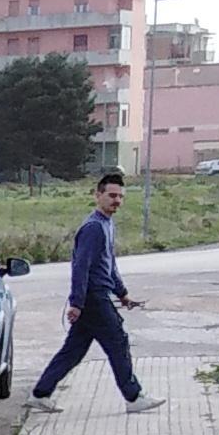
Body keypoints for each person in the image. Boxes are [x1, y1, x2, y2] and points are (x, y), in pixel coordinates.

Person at [31, 172, 162, 410]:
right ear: (98, 195)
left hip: (98, 296)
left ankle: (40, 393)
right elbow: (81, 267)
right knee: (118, 341)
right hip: (93, 298)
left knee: (74, 349)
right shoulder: (93, 227)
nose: (117, 201)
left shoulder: (107, 224)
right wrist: (77, 303)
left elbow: (109, 264)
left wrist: (122, 293)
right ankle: (134, 397)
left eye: (120, 197)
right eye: (112, 195)